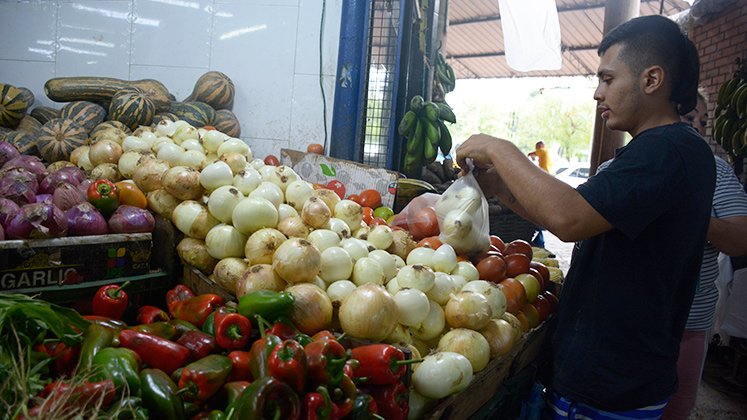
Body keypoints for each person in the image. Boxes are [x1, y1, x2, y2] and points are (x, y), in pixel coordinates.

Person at [456, 15, 715, 418]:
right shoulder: (658, 152)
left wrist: (499, 147)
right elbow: (587, 219)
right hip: (606, 380)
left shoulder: (671, 150)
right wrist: (501, 189)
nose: (598, 94)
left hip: (609, 388)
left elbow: (569, 218)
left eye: (608, 79)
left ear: (651, 80)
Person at [661, 92, 747, 419]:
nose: (696, 128)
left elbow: (741, 239)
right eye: (686, 119)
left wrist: (694, 214)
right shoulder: (619, 168)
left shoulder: (716, 172)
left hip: (686, 327)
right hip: (626, 325)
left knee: (675, 407)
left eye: (701, 121)